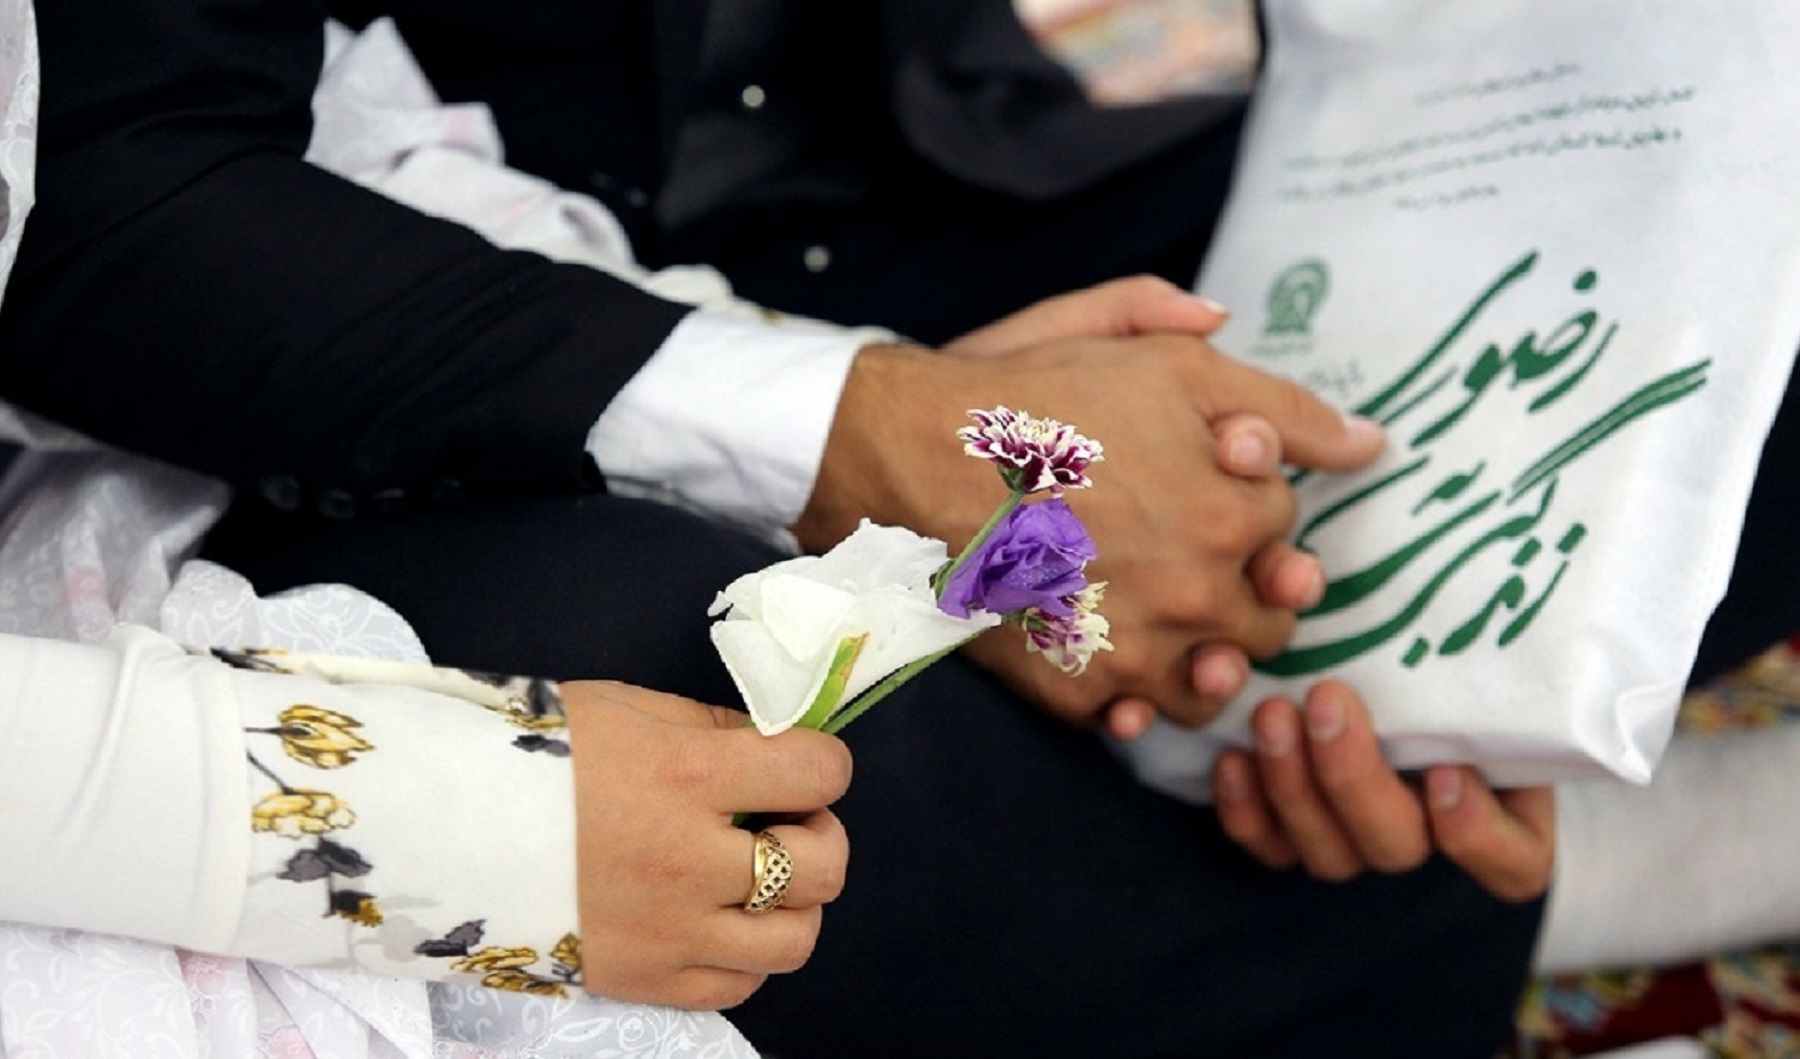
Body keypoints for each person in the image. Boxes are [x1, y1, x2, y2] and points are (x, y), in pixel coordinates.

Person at [0, 3, 1564, 1057]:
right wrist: (419, 826)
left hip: (717, 223)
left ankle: (1440, 748)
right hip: (174, 515)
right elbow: (116, 183)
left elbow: (329, 135)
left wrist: (890, 403)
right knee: (690, 695)